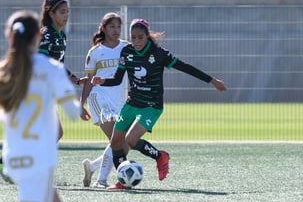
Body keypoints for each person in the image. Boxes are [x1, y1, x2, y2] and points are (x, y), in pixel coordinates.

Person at [91, 18, 227, 190]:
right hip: (132, 103)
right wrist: (102, 81)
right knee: (116, 142)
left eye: (141, 37)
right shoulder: (126, 51)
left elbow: (185, 67)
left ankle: (160, 156)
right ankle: (123, 180)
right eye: (133, 37)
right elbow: (117, 79)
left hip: (151, 106)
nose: (137, 41)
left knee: (131, 140)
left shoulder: (159, 53)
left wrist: (212, 81)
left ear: (148, 36)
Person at [0, 10, 81, 202]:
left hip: (15, 155)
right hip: (39, 156)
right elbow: (73, 113)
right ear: (38, 36)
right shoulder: (52, 69)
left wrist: (6, 117)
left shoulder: (4, 69)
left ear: (9, 36)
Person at [0, 0, 85, 182]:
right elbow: (39, 63)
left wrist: (74, 79)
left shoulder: (61, 36)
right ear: (51, 13)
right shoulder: (46, 34)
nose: (66, 15)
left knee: (51, 133)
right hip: (36, 91)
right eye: (62, 12)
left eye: (68, 11)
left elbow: (56, 64)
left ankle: (9, 162)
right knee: (49, 133)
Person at [79, 12, 129, 188]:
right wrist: (81, 105)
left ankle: (92, 167)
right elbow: (88, 81)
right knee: (117, 142)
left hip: (120, 100)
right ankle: (101, 181)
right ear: (103, 29)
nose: (116, 30)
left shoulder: (127, 47)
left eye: (118, 27)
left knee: (122, 144)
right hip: (99, 99)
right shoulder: (95, 52)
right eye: (112, 27)